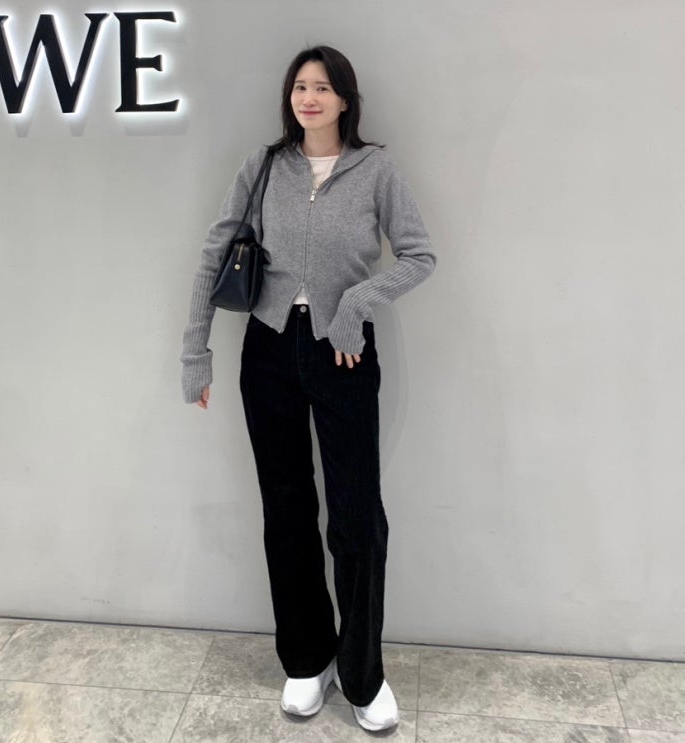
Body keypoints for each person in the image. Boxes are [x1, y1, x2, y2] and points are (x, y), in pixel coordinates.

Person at [181, 45, 435, 732]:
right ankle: (306, 659)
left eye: (322, 87)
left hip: (342, 352)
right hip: (267, 349)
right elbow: (214, 253)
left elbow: (419, 255)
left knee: (356, 517)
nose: (309, 98)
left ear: (345, 99)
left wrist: (357, 302)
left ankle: (362, 673)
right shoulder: (264, 166)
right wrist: (195, 351)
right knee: (286, 510)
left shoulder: (375, 169)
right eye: (299, 86)